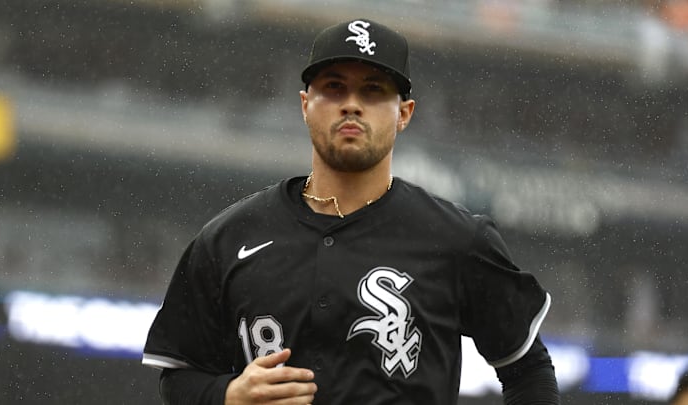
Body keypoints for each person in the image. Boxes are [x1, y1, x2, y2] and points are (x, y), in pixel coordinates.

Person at [142, 18, 560, 404]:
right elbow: (180, 374)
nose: (352, 104)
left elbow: (528, 370)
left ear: (404, 114)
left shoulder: (456, 239)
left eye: (373, 90)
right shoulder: (229, 238)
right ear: (306, 104)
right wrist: (227, 395)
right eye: (334, 87)